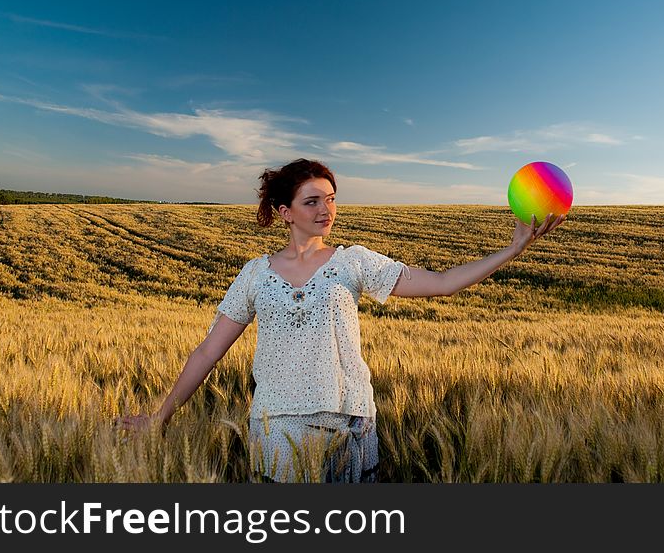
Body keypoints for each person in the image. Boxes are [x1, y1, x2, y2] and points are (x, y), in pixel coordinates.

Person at [117, 158, 565, 482]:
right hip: (281, 430)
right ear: (284, 212)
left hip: (354, 427)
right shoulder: (255, 274)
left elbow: (444, 282)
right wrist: (162, 416)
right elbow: (208, 352)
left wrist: (512, 250)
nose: (325, 210)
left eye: (331, 199)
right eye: (311, 201)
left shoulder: (354, 263)